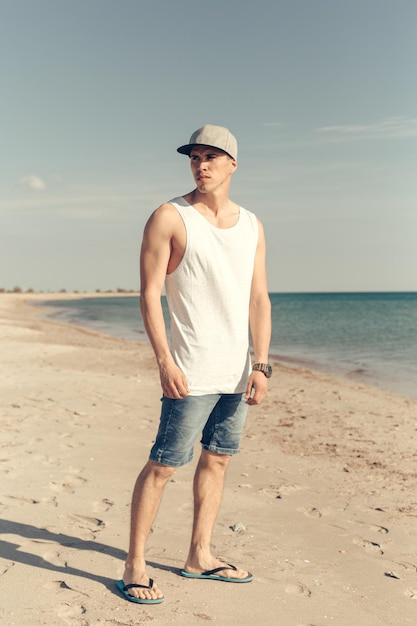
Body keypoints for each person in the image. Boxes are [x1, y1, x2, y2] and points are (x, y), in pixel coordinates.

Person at [116, 124, 272, 604]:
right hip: (189, 367)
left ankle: (199, 555)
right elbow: (149, 293)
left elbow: (259, 299)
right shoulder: (170, 217)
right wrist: (164, 360)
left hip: (235, 370)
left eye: (211, 156)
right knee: (164, 465)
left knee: (218, 461)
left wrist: (261, 365)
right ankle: (135, 564)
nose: (201, 164)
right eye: (194, 156)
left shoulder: (251, 224)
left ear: (232, 165)